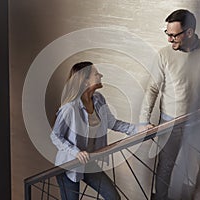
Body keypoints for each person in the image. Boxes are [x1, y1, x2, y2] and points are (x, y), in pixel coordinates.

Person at [139, 9, 200, 199]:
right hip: (170, 124)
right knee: (165, 168)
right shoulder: (164, 55)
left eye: (173, 35)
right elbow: (152, 89)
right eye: (167, 34)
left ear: (189, 32)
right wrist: (143, 121)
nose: (169, 40)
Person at [51, 61, 150, 200]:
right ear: (85, 81)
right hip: (69, 166)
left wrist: (138, 129)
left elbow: (113, 123)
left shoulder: (99, 99)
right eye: (96, 74)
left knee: (113, 197)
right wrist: (76, 152)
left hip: (89, 162)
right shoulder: (70, 108)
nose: (100, 75)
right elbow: (55, 136)